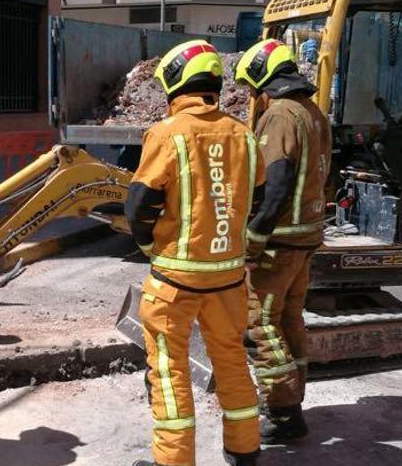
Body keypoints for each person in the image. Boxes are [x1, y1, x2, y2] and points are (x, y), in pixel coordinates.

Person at [126, 39, 266, 466]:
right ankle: (244, 451)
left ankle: (174, 460)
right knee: (231, 362)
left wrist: (153, 248)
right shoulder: (243, 135)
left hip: (174, 282)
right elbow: (256, 201)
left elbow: (138, 207)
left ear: (175, 84)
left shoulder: (167, 134)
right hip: (228, 279)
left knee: (169, 372)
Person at [234, 39, 332, 443]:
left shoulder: (280, 115)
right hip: (306, 237)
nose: (253, 97)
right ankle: (293, 402)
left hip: (280, 242)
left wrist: (252, 242)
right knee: (289, 320)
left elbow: (275, 187)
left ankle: (282, 414)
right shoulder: (314, 114)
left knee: (260, 324)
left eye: (253, 88)